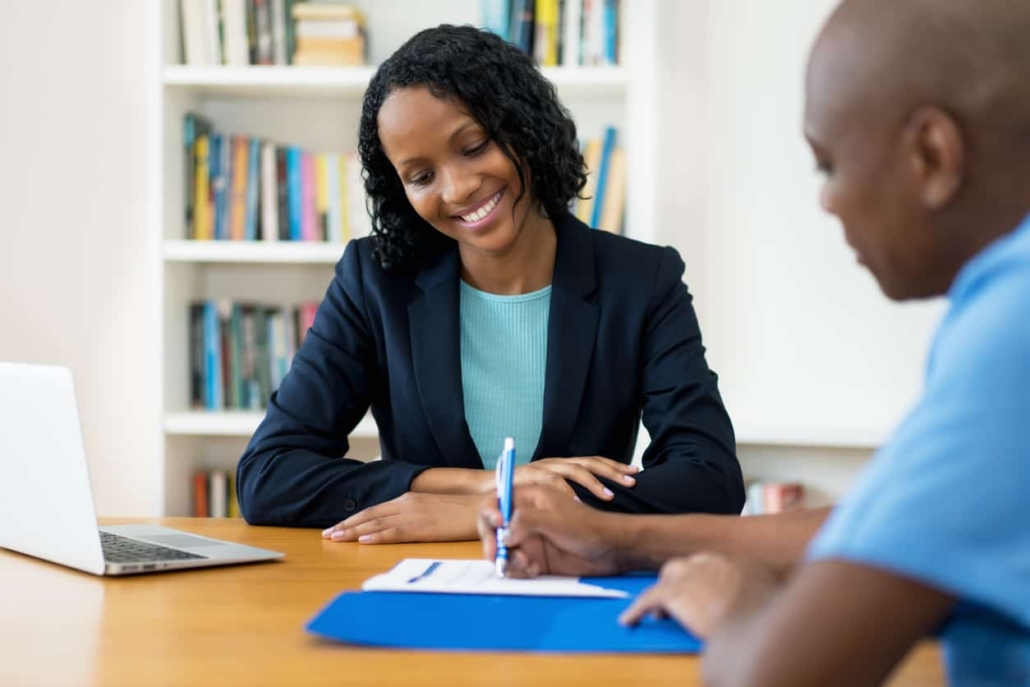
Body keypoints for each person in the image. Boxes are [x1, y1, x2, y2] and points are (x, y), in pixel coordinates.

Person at [479, 0, 1030, 683]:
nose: (826, 202)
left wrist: (734, 604)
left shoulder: (1013, 330)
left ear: (932, 154)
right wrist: (617, 541)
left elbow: (773, 675)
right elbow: (876, 526)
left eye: (827, 163)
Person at [235, 24, 745, 542]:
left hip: (576, 588)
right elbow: (268, 475)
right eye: (420, 176)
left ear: (522, 126)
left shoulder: (641, 280)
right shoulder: (374, 281)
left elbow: (710, 482)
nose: (456, 188)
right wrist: (481, 488)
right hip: (421, 589)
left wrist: (508, 509)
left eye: (473, 146)